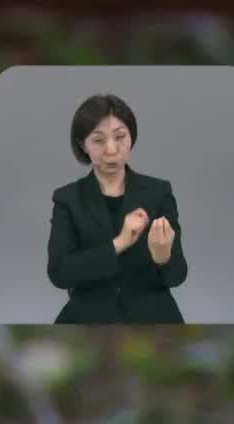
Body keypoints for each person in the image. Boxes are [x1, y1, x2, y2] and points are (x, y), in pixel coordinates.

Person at [45, 93, 188, 323]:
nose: (111, 150)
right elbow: (60, 273)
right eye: (98, 140)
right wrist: (119, 243)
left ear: (132, 138)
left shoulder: (158, 192)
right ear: (84, 145)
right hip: (88, 317)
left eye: (120, 137)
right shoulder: (68, 199)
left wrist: (163, 256)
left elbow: (178, 275)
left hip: (154, 317)